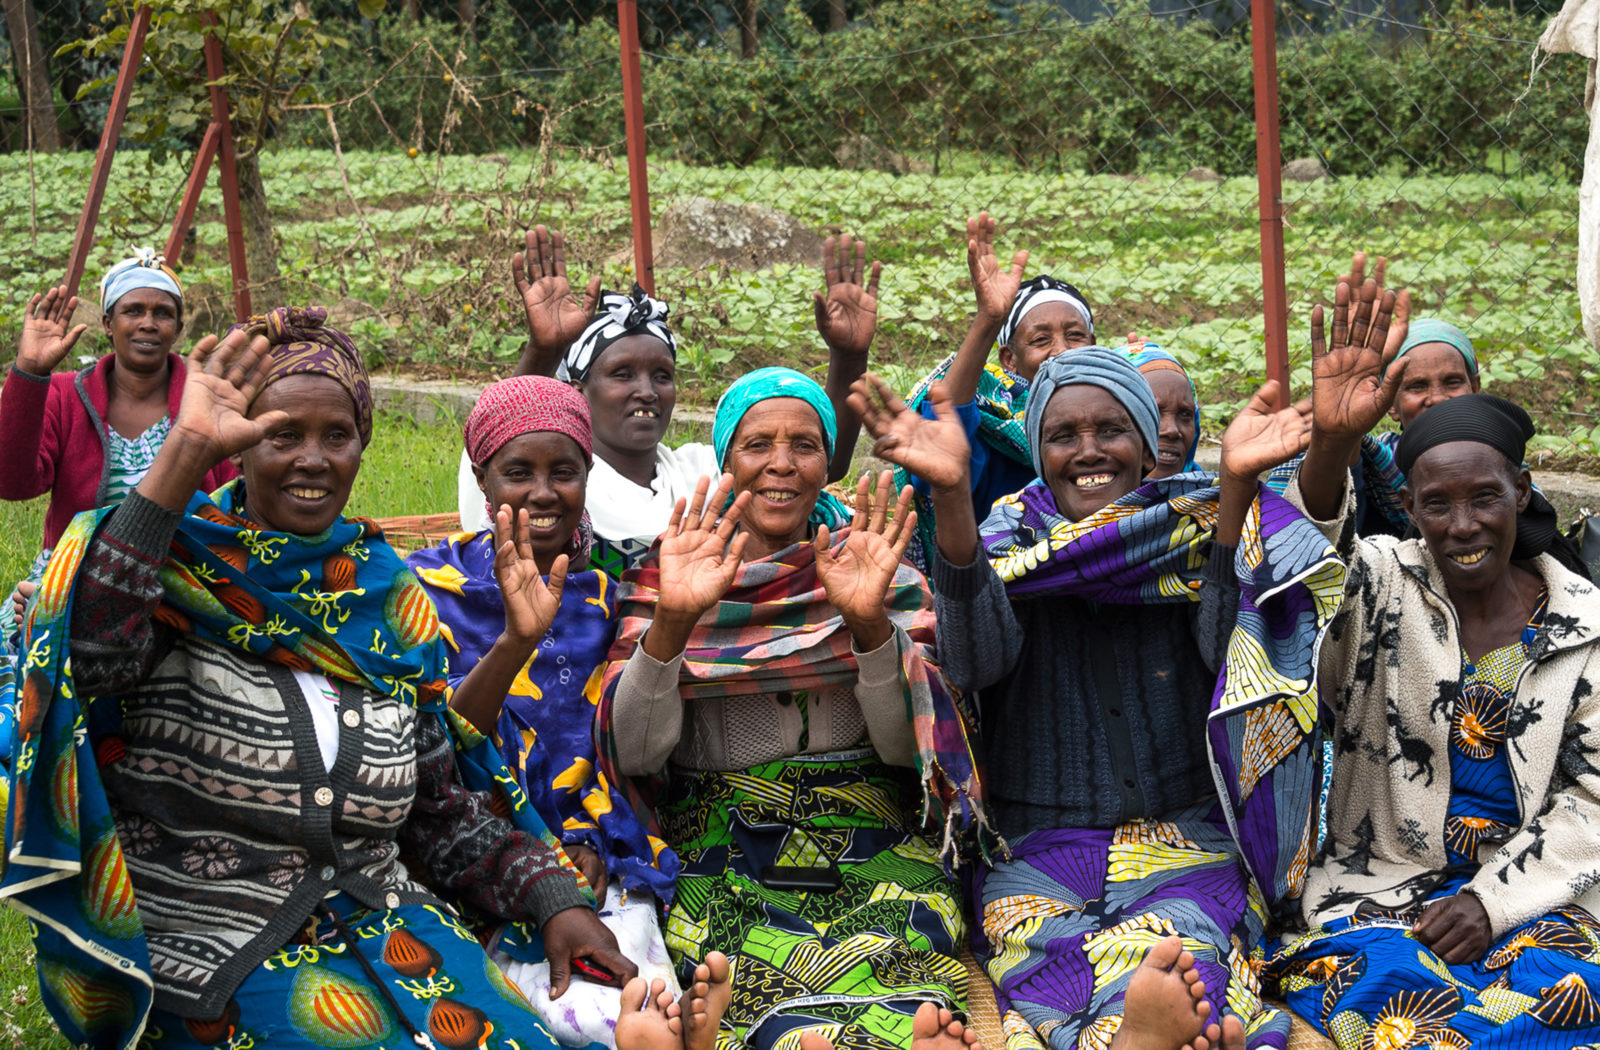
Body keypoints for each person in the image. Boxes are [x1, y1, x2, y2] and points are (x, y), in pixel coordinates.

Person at [0, 308, 629, 1050]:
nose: (312, 458)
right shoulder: (167, 569)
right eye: (281, 433)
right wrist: (187, 450)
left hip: (386, 920)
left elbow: (437, 805)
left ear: (364, 443)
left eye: (337, 436)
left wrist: (556, 901)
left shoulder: (384, 600)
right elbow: (90, 657)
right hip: (209, 942)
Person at [853, 343, 1347, 1050]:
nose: (1088, 451)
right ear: (1038, 451)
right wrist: (953, 498)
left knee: (1187, 951)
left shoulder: (1186, 530)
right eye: (1062, 435)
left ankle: (1147, 1032)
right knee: (1053, 965)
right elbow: (974, 660)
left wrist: (1236, 488)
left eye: (1111, 431)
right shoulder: (1004, 541)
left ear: (1148, 448)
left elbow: (1227, 654)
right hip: (1035, 849)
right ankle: (1148, 1036)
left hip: (1184, 838)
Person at [595, 367, 986, 1050]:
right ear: (725, 459)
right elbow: (634, 755)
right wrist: (674, 623)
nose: (781, 464)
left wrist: (868, 627)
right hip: (722, 841)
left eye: (804, 444)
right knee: (743, 965)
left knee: (897, 951)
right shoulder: (671, 573)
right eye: (757, 445)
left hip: (870, 832)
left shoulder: (875, 566)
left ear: (826, 461)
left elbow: (908, 756)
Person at [1265, 272, 1600, 1048]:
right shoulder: (1381, 581)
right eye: (1437, 505)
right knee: (1392, 995)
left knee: (1567, 996)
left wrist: (1492, 903)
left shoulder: (1585, 622)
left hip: (1540, 896)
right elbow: (1297, 570)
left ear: (1521, 491)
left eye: (1484, 498)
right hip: (1386, 889)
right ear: (1409, 509)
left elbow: (1592, 800)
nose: (1463, 525)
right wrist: (1333, 442)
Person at [409, 374, 679, 1047]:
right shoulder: (424, 590)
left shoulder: (613, 594)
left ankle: (652, 1024)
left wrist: (586, 842)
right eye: (517, 471)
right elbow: (436, 752)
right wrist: (516, 642)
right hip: (469, 849)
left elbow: (623, 751)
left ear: (589, 473)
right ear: (481, 477)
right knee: (549, 1010)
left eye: (563, 471)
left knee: (634, 983)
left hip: (602, 853)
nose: (541, 492)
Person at [455, 228, 875, 577]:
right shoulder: (555, 484)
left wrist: (849, 356)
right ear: (578, 390)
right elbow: (505, 437)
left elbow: (816, 467)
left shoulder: (699, 471)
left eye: (662, 376)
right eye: (622, 374)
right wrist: (545, 350)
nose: (647, 391)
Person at [0, 251, 238, 643]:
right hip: (70, 577)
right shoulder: (66, 394)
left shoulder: (204, 400)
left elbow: (233, 506)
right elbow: (13, 483)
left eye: (162, 313)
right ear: (109, 324)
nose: (148, 323)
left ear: (178, 328)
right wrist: (30, 371)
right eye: (133, 310)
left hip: (181, 582)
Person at [894, 214, 1096, 567]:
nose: (1062, 349)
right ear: (1010, 361)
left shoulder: (1122, 417)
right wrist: (989, 320)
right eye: (1040, 340)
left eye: (1075, 335)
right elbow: (947, 429)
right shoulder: (994, 430)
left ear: (1095, 345)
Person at [1127, 340, 1201, 478]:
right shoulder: (1081, 495)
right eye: (1153, 411)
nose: (1172, 430)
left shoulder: (1220, 497)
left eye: (1185, 414)